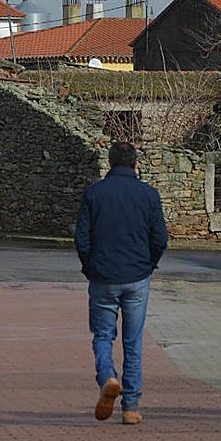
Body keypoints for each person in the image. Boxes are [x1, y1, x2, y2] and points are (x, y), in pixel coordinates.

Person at [74, 141, 168, 426]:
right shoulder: (149, 195)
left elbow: (82, 238)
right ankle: (131, 407)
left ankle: (107, 378)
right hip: (137, 277)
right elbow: (160, 238)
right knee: (133, 341)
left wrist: (90, 267)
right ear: (136, 164)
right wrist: (148, 265)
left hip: (103, 276)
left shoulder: (93, 193)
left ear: (110, 163)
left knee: (103, 335)